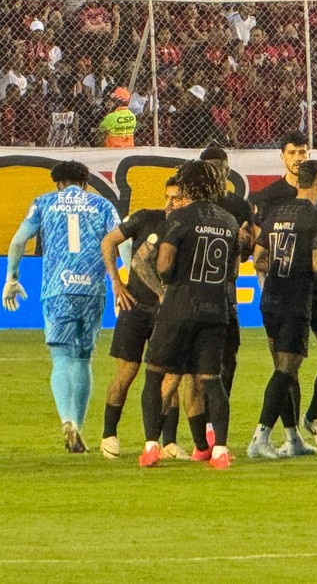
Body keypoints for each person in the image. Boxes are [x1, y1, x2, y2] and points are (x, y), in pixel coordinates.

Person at [2, 161, 120, 453]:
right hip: (92, 289)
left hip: (58, 290)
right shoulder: (102, 205)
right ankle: (78, 426)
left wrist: (12, 277)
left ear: (58, 183)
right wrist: (123, 283)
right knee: (83, 358)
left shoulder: (43, 203)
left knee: (61, 357)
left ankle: (67, 420)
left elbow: (18, 241)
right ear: (85, 183)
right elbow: (124, 244)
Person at [138, 160, 239, 470]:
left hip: (179, 307)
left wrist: (168, 281)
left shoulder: (180, 217)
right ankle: (220, 451)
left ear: (190, 185)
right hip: (215, 309)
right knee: (212, 381)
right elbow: (233, 270)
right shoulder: (229, 221)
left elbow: (165, 263)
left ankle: (152, 447)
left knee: (155, 376)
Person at [252, 130, 317, 451]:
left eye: (302, 152)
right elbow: (259, 253)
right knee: (287, 367)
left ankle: (313, 416)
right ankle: (289, 436)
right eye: (293, 152)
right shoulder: (269, 197)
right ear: (282, 155)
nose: (298, 157)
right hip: (289, 290)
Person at [98, 177, 188, 461]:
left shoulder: (188, 228)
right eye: (168, 197)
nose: (170, 203)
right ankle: (109, 435)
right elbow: (109, 241)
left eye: (177, 198)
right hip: (135, 307)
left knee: (169, 377)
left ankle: (169, 441)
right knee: (126, 373)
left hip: (168, 313)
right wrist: (116, 282)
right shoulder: (146, 218)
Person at [199, 145, 255, 446]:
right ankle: (193, 431)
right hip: (193, 291)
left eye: (222, 167)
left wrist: (246, 242)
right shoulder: (189, 202)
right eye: (212, 168)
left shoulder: (239, 206)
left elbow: (246, 253)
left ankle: (213, 422)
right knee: (191, 367)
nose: (218, 173)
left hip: (226, 291)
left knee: (228, 358)